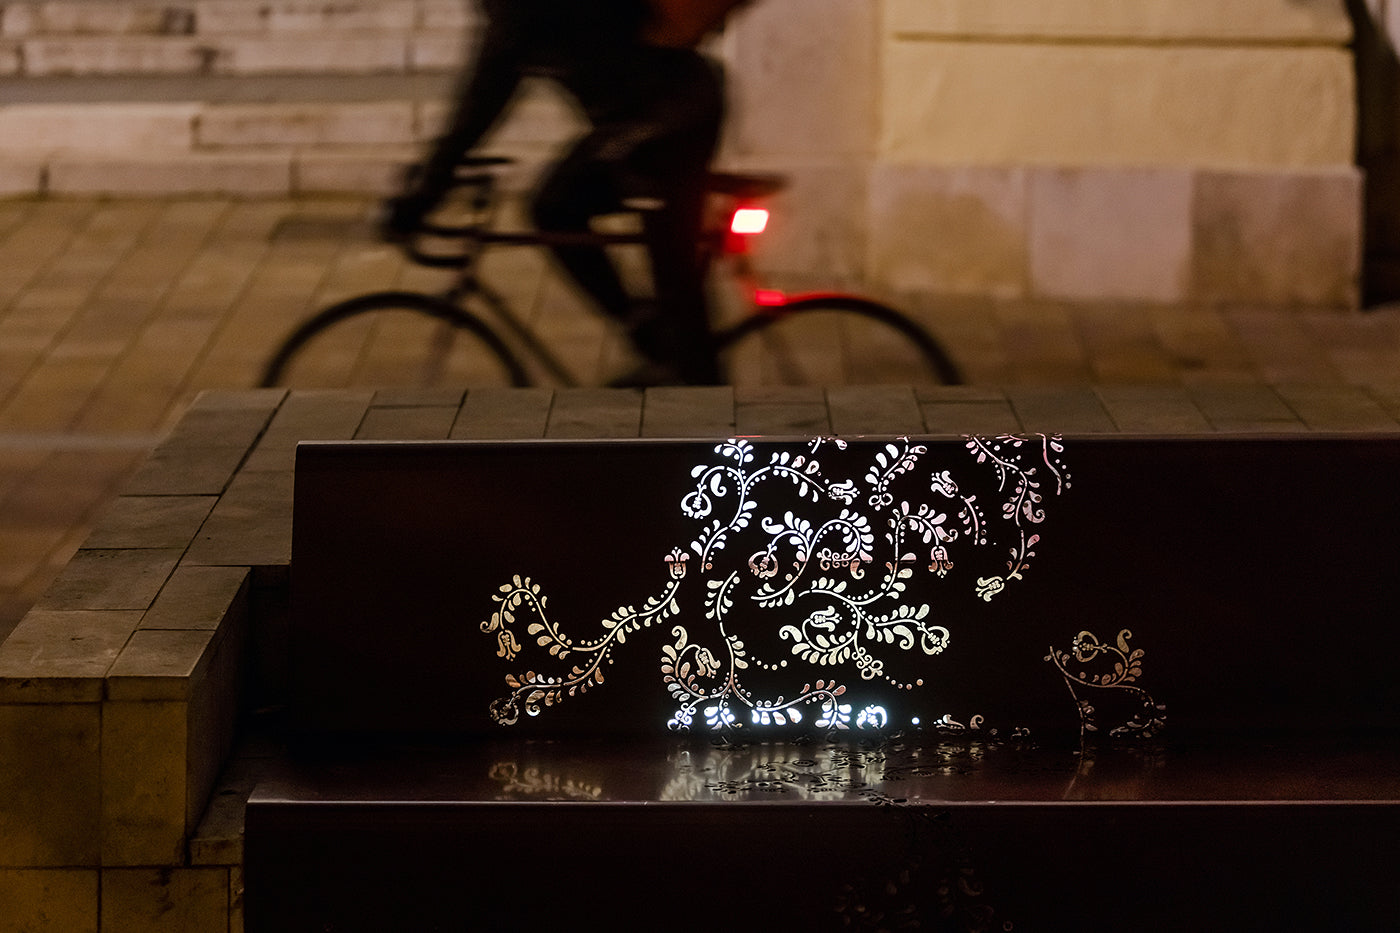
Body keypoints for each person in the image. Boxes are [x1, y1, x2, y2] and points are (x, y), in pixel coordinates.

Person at [382, 0, 754, 385]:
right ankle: (656, 339)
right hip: (644, 117)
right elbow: (486, 95)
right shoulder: (515, 14)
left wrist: (425, 194)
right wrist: (433, 180)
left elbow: (483, 99)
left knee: (669, 264)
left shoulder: (520, 11)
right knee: (555, 206)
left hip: (671, 118)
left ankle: (700, 394)